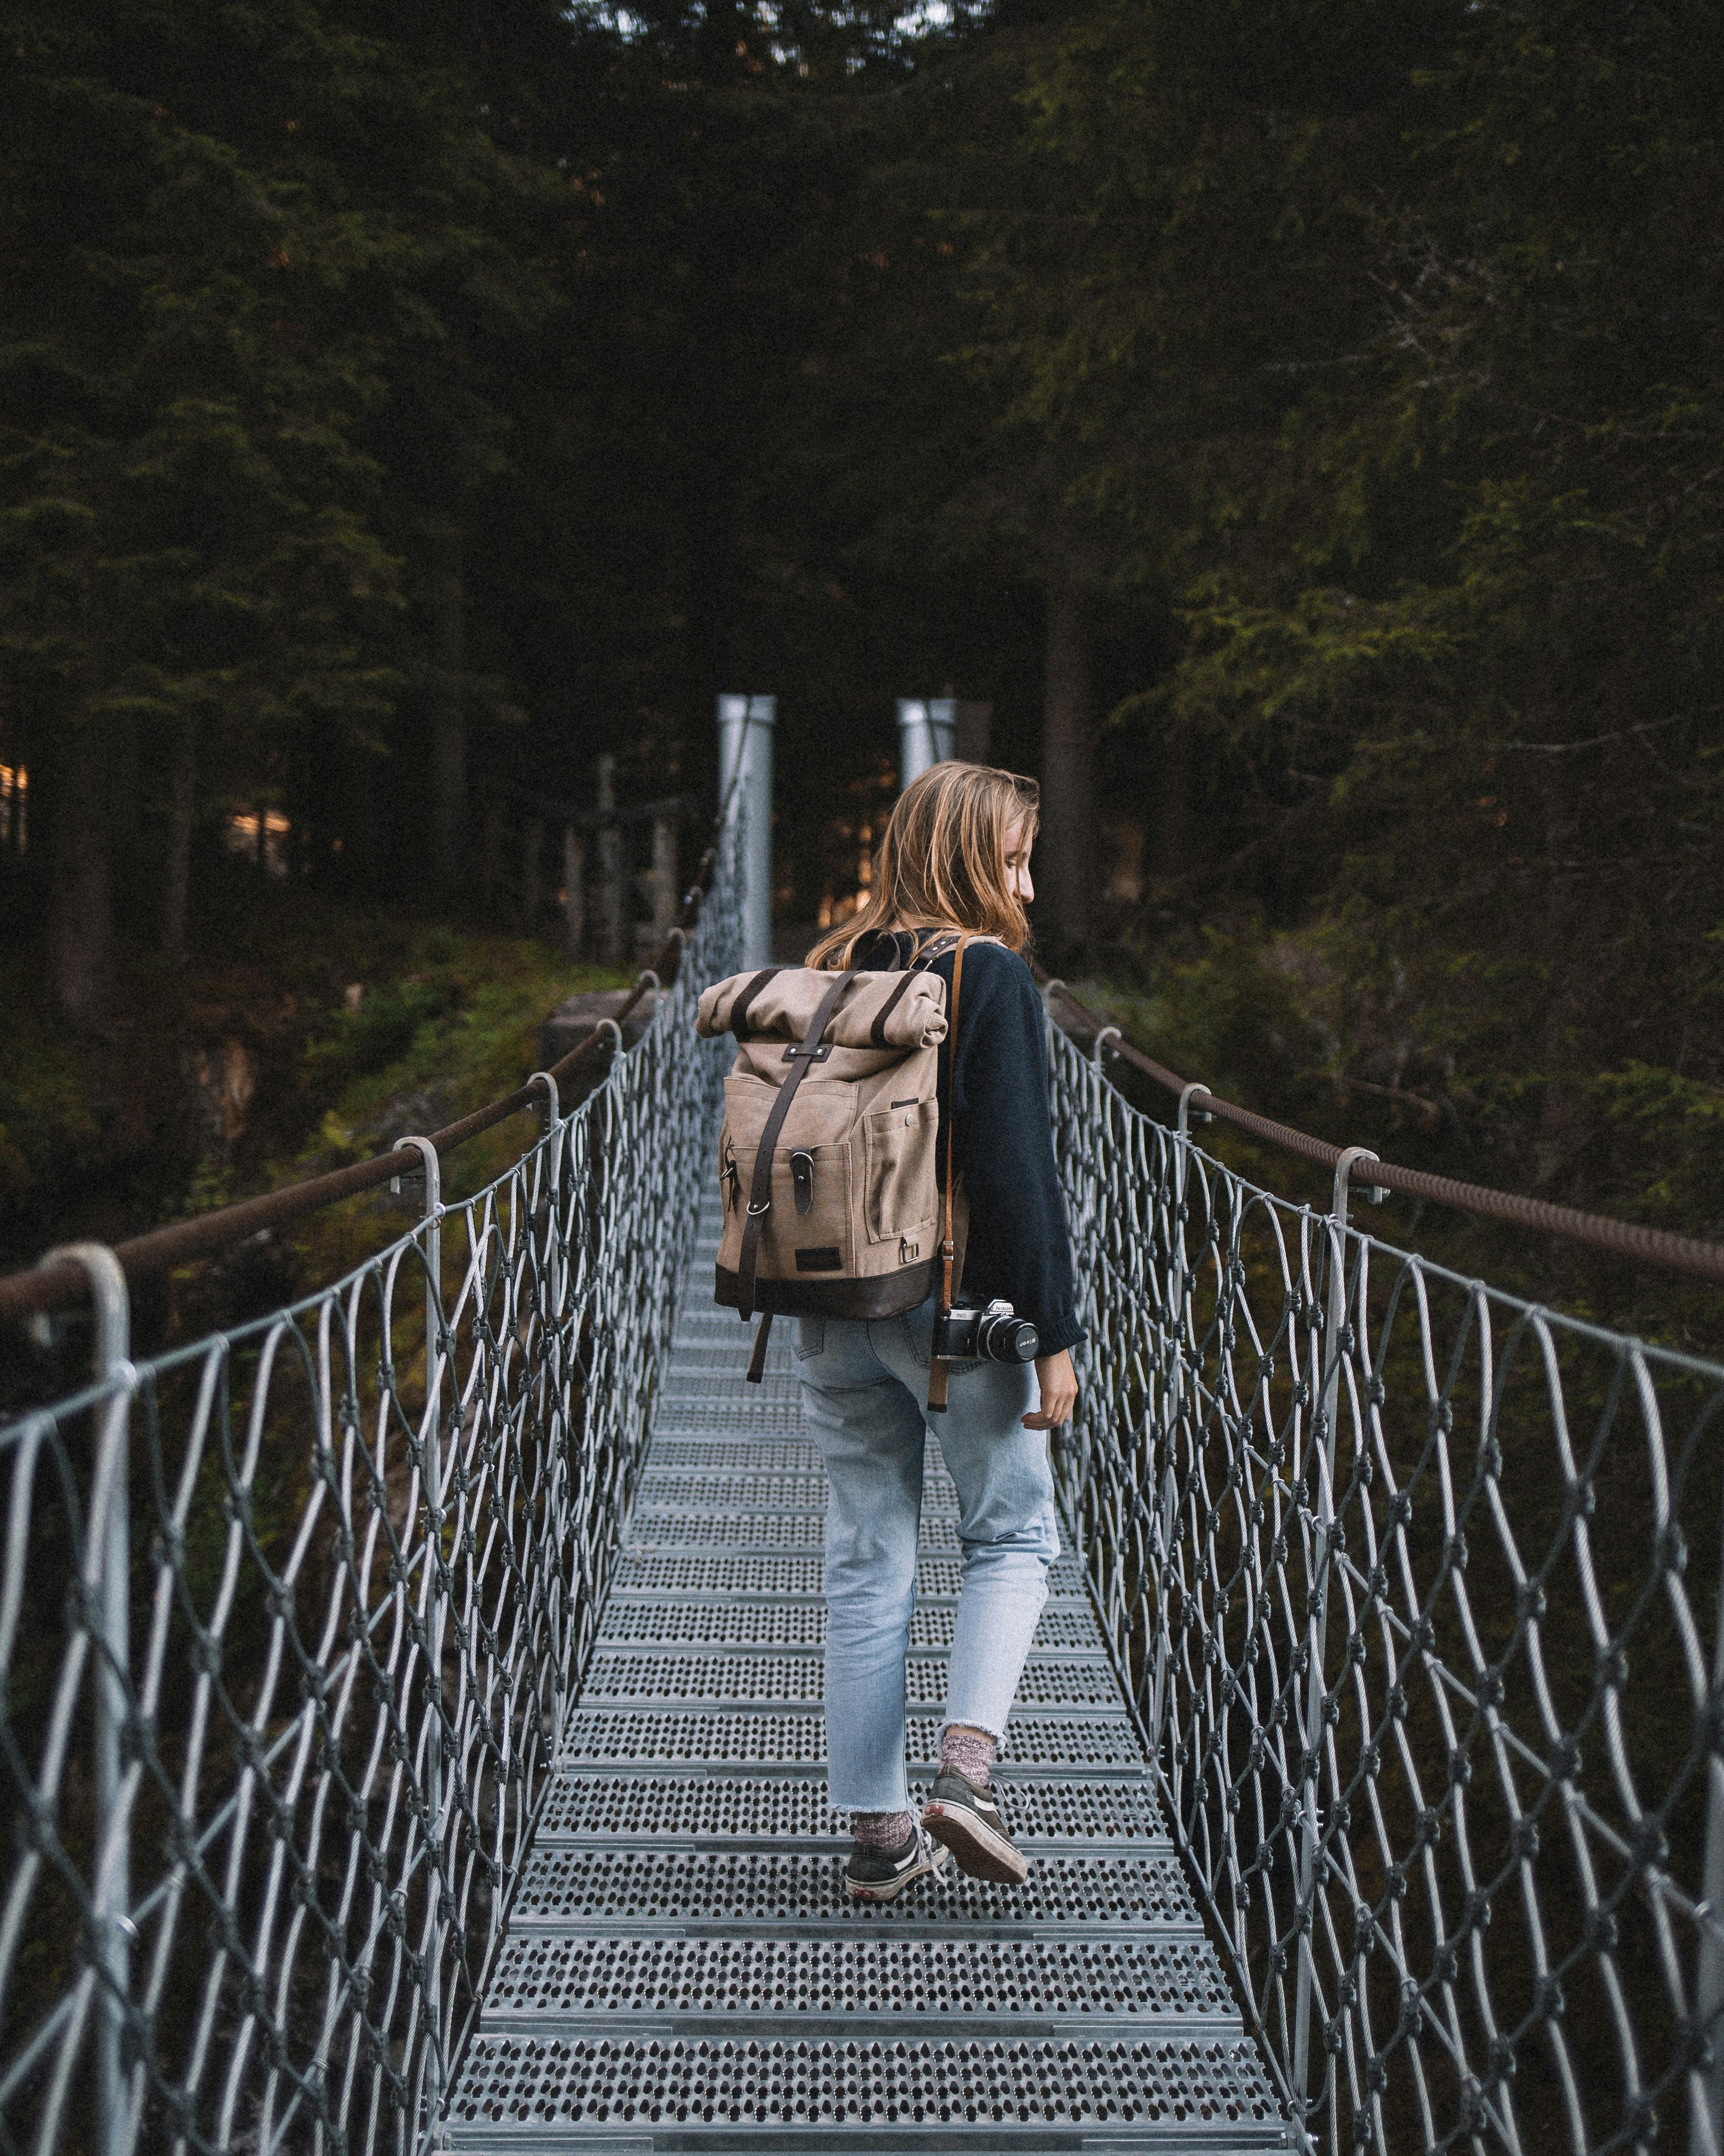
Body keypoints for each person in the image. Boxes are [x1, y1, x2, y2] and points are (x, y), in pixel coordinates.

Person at [797, 761, 1082, 1901]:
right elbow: (1016, 1180)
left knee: (868, 1551)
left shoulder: (829, 967)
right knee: (1013, 1536)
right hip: (955, 1313)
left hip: (830, 1304)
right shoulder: (989, 973)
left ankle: (877, 1836)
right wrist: (1051, 1332)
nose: (1026, 880)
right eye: (1010, 857)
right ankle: (963, 1777)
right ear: (965, 859)